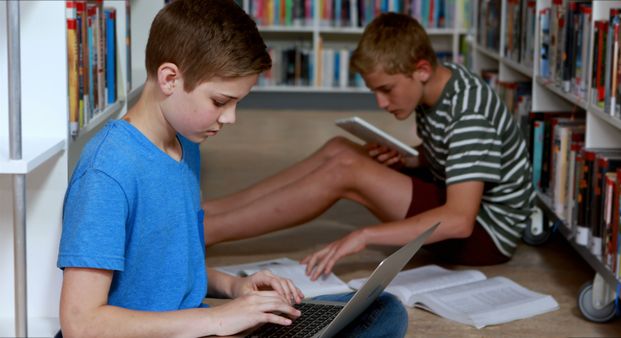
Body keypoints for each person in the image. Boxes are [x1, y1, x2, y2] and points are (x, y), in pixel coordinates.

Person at [56, 1, 407, 337]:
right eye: (220, 101)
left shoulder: (184, 145)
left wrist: (236, 286)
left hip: (196, 324)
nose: (230, 118)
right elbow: (81, 324)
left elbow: (170, 271)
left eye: (237, 103)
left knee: (381, 308)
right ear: (169, 79)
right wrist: (216, 320)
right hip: (170, 330)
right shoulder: (107, 171)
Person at [203, 12, 535, 281]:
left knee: (346, 170)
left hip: (484, 234)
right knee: (340, 149)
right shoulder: (443, 81)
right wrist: (415, 158)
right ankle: (207, 214)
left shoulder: (469, 115)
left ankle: (205, 232)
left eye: (387, 89)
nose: (381, 102)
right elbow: (456, 151)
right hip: (455, 195)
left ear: (421, 69)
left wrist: (365, 235)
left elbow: (460, 220)